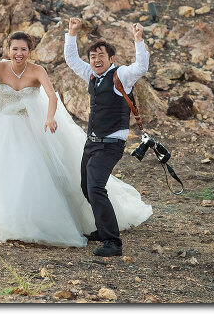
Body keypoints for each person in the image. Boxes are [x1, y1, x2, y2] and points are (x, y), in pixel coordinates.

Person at [0, 32, 152, 248]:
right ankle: (4, 218)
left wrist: (49, 117)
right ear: (8, 50)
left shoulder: (39, 71)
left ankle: (106, 237)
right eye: (14, 49)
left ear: (29, 51)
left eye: (23, 49)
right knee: (1, 171)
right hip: (2, 126)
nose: (19, 53)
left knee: (36, 173)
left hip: (33, 128)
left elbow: (51, 95)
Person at [64, 18, 150, 257]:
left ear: (111, 58)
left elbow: (141, 67)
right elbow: (72, 60)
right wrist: (71, 33)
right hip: (92, 142)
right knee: (86, 187)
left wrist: (139, 40)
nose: (96, 59)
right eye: (93, 56)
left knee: (96, 187)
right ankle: (103, 230)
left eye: (101, 55)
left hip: (111, 143)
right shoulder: (91, 76)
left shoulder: (121, 75)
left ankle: (113, 242)